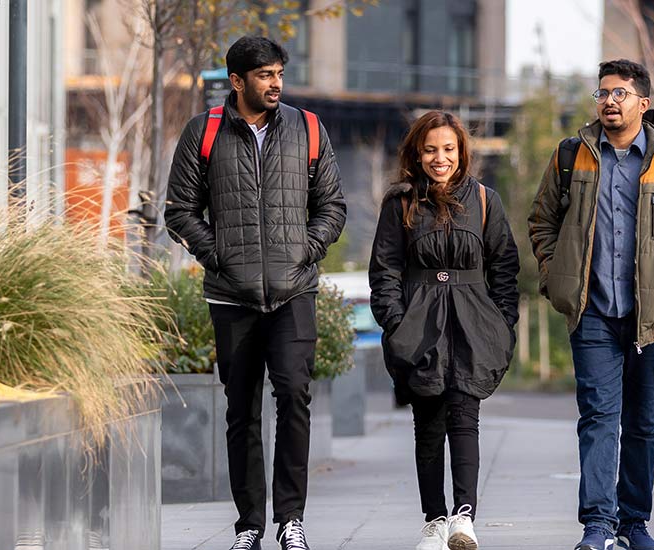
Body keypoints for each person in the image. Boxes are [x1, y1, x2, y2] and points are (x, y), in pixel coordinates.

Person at [528, 59, 654, 550]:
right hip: (591, 311)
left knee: (643, 421)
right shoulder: (573, 155)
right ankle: (597, 525)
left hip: (652, 317)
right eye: (603, 93)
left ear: (643, 102)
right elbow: (542, 220)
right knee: (597, 417)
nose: (609, 101)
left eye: (620, 93)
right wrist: (558, 279)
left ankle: (634, 523)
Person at [163, 36, 347, 550]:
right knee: (240, 410)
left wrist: (307, 249)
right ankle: (249, 526)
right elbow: (178, 209)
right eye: (265, 75)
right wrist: (218, 254)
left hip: (294, 293)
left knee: (294, 396)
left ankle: (291, 520)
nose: (275, 84)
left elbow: (332, 204)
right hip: (231, 296)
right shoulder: (205, 131)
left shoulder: (308, 129)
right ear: (238, 81)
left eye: (279, 74)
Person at [369, 111, 520, 550]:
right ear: (418, 153)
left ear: (462, 152)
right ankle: (434, 520)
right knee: (428, 423)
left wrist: (502, 324)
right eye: (431, 149)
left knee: (465, 418)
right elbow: (385, 271)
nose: (440, 158)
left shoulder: (486, 201)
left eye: (449, 149)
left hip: (474, 324)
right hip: (419, 324)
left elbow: (505, 268)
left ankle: (464, 518)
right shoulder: (400, 204)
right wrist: (397, 323)